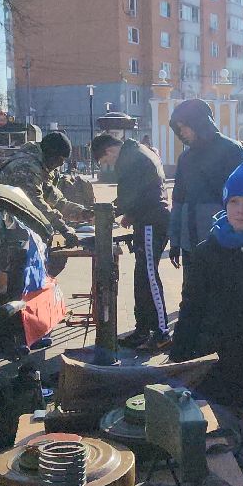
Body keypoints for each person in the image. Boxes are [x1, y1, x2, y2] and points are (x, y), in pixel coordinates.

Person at [172, 149, 243, 486]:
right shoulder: (207, 251)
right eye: (234, 201)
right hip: (215, 362)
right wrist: (180, 359)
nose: (240, 209)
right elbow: (190, 306)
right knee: (218, 442)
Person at [91, 131, 172, 347]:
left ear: (109, 150)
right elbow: (142, 191)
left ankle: (162, 332)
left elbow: (129, 196)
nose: (108, 165)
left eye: (105, 161)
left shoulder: (130, 158)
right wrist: (129, 213)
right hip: (148, 218)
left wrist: (106, 213)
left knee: (149, 277)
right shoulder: (136, 152)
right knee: (141, 277)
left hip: (151, 222)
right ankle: (143, 329)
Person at [166, 96, 243, 266]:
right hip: (190, 245)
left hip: (223, 243)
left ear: (199, 123)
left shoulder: (231, 150)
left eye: (185, 127)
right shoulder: (185, 158)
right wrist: (175, 241)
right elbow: (178, 201)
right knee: (190, 292)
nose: (182, 133)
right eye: (178, 129)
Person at [0, 131, 88, 240]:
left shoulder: (41, 165)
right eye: (60, 159)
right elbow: (36, 204)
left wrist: (82, 212)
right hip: (0, 222)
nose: (61, 164)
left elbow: (53, 198)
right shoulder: (26, 167)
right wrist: (63, 228)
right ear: (50, 154)